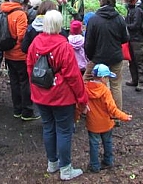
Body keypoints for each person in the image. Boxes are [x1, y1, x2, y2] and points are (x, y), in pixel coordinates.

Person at [26, 10, 88, 181]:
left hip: (41, 95)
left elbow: (30, 68)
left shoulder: (35, 42)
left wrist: (35, 88)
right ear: (59, 24)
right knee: (64, 130)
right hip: (61, 97)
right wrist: (82, 98)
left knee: (48, 127)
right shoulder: (63, 46)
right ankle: (66, 169)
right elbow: (74, 76)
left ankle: (52, 162)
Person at [80, 64, 132, 173]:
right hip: (106, 123)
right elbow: (112, 109)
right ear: (103, 78)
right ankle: (108, 161)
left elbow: (80, 105)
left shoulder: (85, 88)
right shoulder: (105, 91)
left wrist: (75, 117)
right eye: (107, 78)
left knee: (94, 144)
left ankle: (94, 166)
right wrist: (124, 116)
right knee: (107, 142)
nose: (107, 80)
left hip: (92, 124)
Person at [84, 0, 129, 110]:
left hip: (98, 58)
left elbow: (88, 43)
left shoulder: (94, 20)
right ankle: (115, 114)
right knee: (116, 85)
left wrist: (91, 57)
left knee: (86, 81)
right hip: (115, 57)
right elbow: (125, 39)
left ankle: (86, 110)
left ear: (101, 1)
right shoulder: (119, 18)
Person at [0, 0, 39, 121]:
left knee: (14, 82)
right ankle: (27, 111)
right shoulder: (20, 14)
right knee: (24, 82)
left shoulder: (3, 11)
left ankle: (17, 109)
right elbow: (21, 36)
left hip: (8, 54)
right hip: (20, 54)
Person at [122, 0, 143, 92]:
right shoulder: (131, 8)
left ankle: (142, 82)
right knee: (131, 60)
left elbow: (136, 25)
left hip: (137, 39)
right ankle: (134, 79)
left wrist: (125, 25)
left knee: (139, 60)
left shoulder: (138, 10)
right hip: (130, 38)